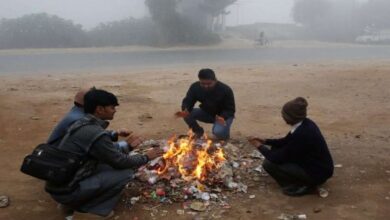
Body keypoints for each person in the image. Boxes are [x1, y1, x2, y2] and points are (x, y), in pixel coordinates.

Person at [45, 89, 164, 219]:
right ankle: (88, 211)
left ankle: (68, 205)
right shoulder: (93, 132)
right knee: (126, 173)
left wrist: (127, 145)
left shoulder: (82, 122)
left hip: (60, 185)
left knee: (106, 165)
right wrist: (147, 157)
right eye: (112, 107)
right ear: (100, 109)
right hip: (66, 190)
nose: (115, 110)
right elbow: (120, 162)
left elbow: (106, 150)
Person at [248, 97, 334, 196]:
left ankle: (301, 185)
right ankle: (303, 180)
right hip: (320, 167)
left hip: (317, 173)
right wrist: (265, 141)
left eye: (284, 115)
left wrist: (258, 146)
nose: (282, 117)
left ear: (290, 117)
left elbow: (275, 158)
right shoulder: (305, 123)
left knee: (268, 164)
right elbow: (286, 141)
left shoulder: (302, 134)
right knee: (275, 149)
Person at [47, 88, 131, 153]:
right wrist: (126, 145)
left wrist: (114, 133)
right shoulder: (79, 119)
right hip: (61, 162)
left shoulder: (79, 113)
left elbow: (93, 136)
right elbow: (99, 147)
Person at [175, 68, 235, 140]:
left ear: (215, 80)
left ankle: (224, 137)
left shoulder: (225, 90)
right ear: (199, 80)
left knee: (218, 132)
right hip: (207, 113)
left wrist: (222, 117)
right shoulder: (195, 87)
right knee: (186, 114)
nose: (206, 86)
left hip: (223, 116)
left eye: (209, 84)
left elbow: (230, 109)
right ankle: (198, 131)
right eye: (203, 83)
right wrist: (185, 109)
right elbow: (188, 101)